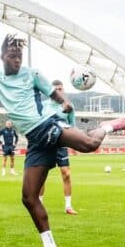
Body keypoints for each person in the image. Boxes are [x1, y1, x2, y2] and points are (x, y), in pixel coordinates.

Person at [0, 31, 125, 247]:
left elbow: (52, 92)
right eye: (12, 55)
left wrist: (64, 103)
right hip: (35, 140)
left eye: (19, 55)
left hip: (46, 125)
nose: (17, 60)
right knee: (29, 197)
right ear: (2, 57)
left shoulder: (32, 74)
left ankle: (108, 125)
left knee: (90, 144)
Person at [38, 80, 78, 215]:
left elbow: (72, 126)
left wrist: (74, 145)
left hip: (61, 144)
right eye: (56, 89)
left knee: (66, 174)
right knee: (42, 175)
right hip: (46, 144)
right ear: (51, 91)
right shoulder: (43, 106)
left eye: (61, 89)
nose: (59, 91)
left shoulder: (69, 106)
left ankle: (68, 206)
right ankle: (40, 204)